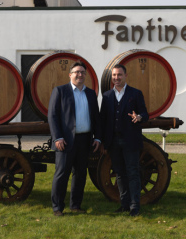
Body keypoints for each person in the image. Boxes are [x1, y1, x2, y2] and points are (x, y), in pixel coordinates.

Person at [48, 60, 101, 217]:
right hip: (65, 140)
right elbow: (52, 116)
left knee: (80, 174)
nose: (80, 75)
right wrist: (57, 137)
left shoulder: (90, 93)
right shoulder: (60, 91)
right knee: (62, 174)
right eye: (77, 72)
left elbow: (96, 118)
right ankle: (57, 207)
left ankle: (75, 205)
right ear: (70, 74)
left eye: (83, 72)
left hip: (85, 140)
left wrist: (97, 138)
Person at [100, 64, 148, 217]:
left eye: (119, 75)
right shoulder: (107, 96)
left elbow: (145, 114)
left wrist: (139, 117)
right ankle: (124, 204)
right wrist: (101, 141)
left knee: (133, 172)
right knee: (120, 174)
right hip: (113, 141)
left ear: (126, 76)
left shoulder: (136, 93)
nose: (116, 78)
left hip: (130, 140)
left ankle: (135, 206)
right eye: (114, 75)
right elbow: (103, 119)